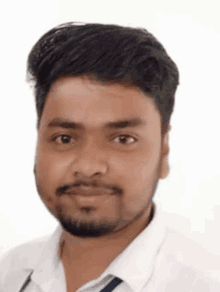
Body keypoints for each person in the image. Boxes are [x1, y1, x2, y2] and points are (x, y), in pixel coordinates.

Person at [0, 22, 219, 292]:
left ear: (164, 151)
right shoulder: (10, 273)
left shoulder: (203, 284)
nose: (89, 166)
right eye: (64, 138)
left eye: (123, 139)